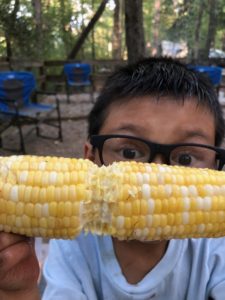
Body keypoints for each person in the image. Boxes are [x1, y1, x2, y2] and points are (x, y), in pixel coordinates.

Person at [1, 56, 225, 300]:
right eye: (130, 152)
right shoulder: (73, 245)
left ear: (215, 168)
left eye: (185, 159)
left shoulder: (214, 249)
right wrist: (19, 291)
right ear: (91, 159)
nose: (154, 174)